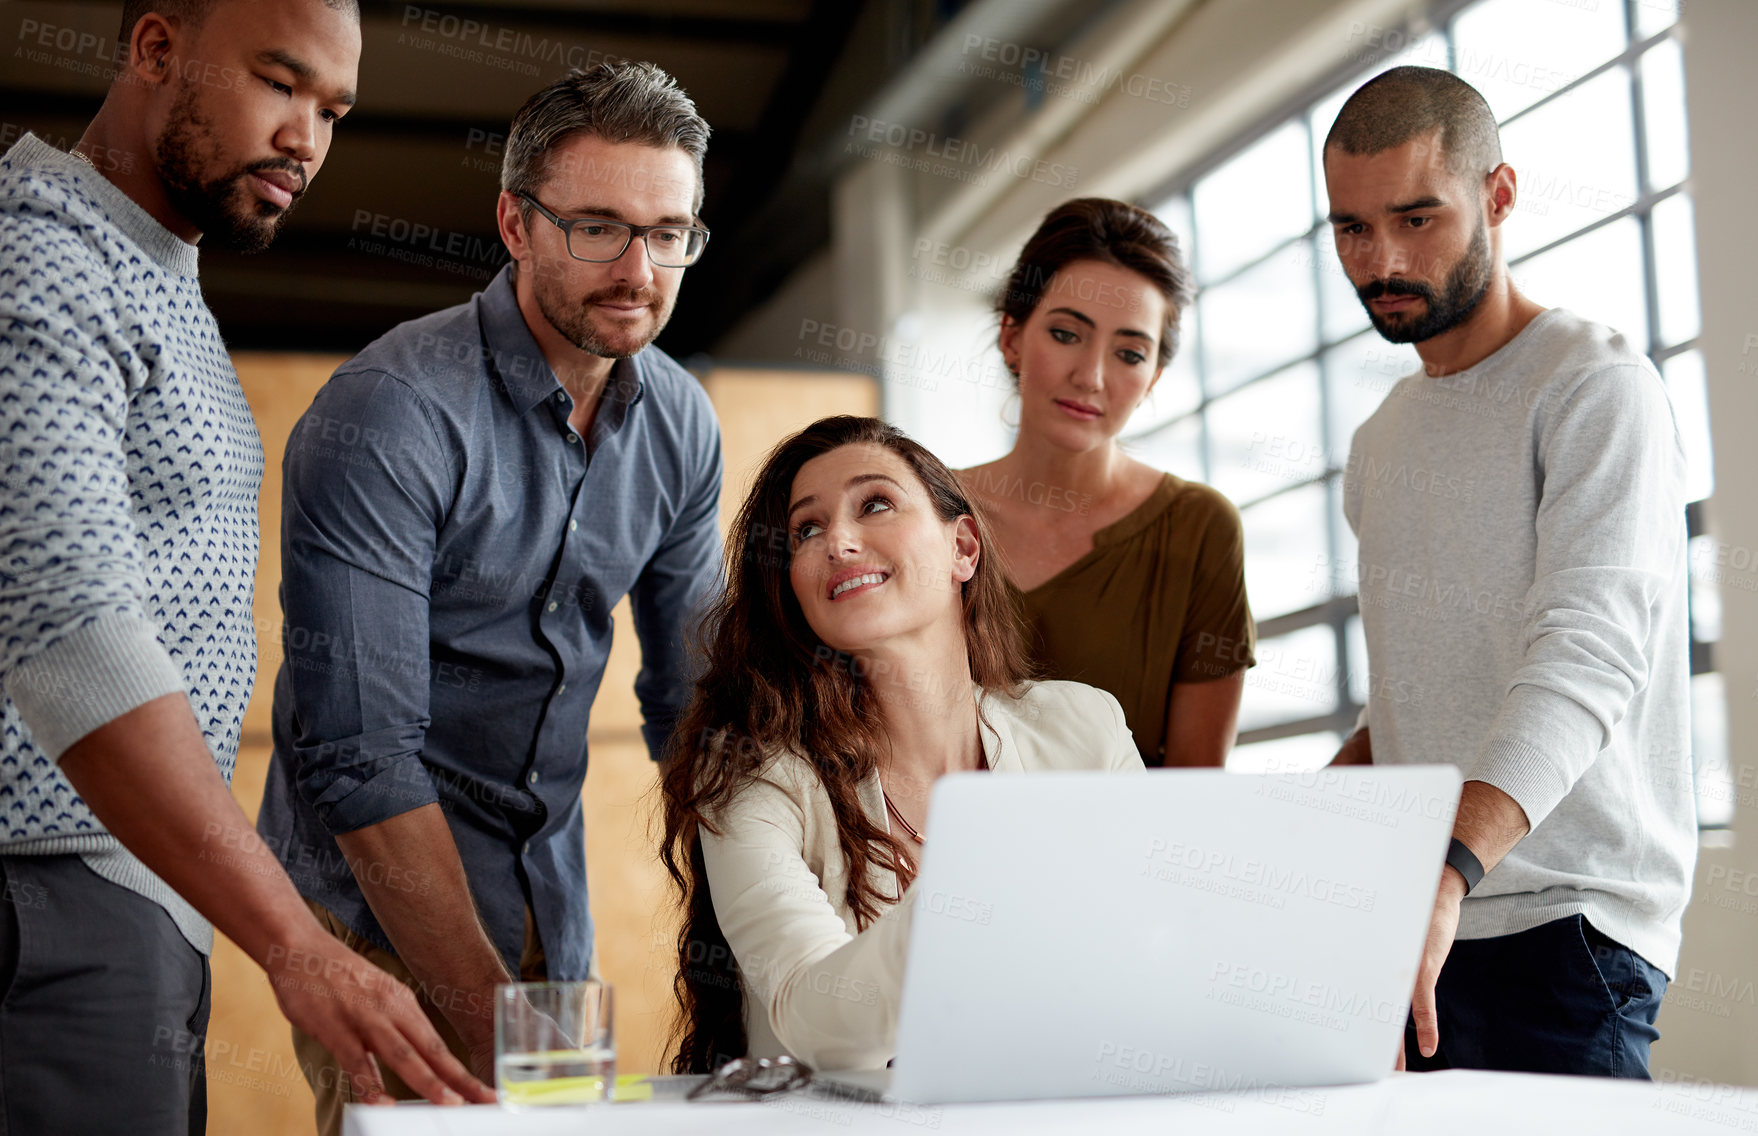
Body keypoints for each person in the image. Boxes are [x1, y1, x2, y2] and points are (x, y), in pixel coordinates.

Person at [0, 0, 493, 1130]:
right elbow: (72, 640)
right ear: (155, 48)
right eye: (280, 83)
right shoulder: (40, 255)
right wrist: (294, 940)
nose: (308, 141)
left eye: (333, 110)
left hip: (125, 901)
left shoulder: (152, 268)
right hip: (48, 904)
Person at [256, 61, 724, 1130]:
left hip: (548, 906)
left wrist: (769, 917)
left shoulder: (681, 425)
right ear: (514, 222)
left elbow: (694, 702)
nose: (639, 269)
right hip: (377, 911)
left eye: (669, 233)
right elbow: (360, 754)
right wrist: (494, 1028)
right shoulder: (388, 412)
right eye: (597, 227)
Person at [1322, 66, 1692, 1078]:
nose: (1382, 259)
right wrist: (1294, 845)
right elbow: (1411, 706)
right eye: (1351, 229)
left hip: (1568, 931)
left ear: (1499, 194)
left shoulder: (1594, 388)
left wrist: (1446, 870)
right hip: (1420, 932)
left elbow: (1587, 656)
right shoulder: (1380, 438)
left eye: (1416, 217)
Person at [659, 416, 1144, 1073]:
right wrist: (981, 890)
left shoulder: (1085, 730)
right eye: (807, 529)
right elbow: (812, 1017)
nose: (839, 540)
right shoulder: (753, 771)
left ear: (963, 548)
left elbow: (1144, 965)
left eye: (876, 503)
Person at [958, 199, 1255, 768]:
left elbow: (1194, 789)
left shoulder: (1199, 529)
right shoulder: (923, 508)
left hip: (1129, 854)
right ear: (1012, 338)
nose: (1091, 376)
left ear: (1153, 380)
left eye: (1128, 353)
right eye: (1067, 334)